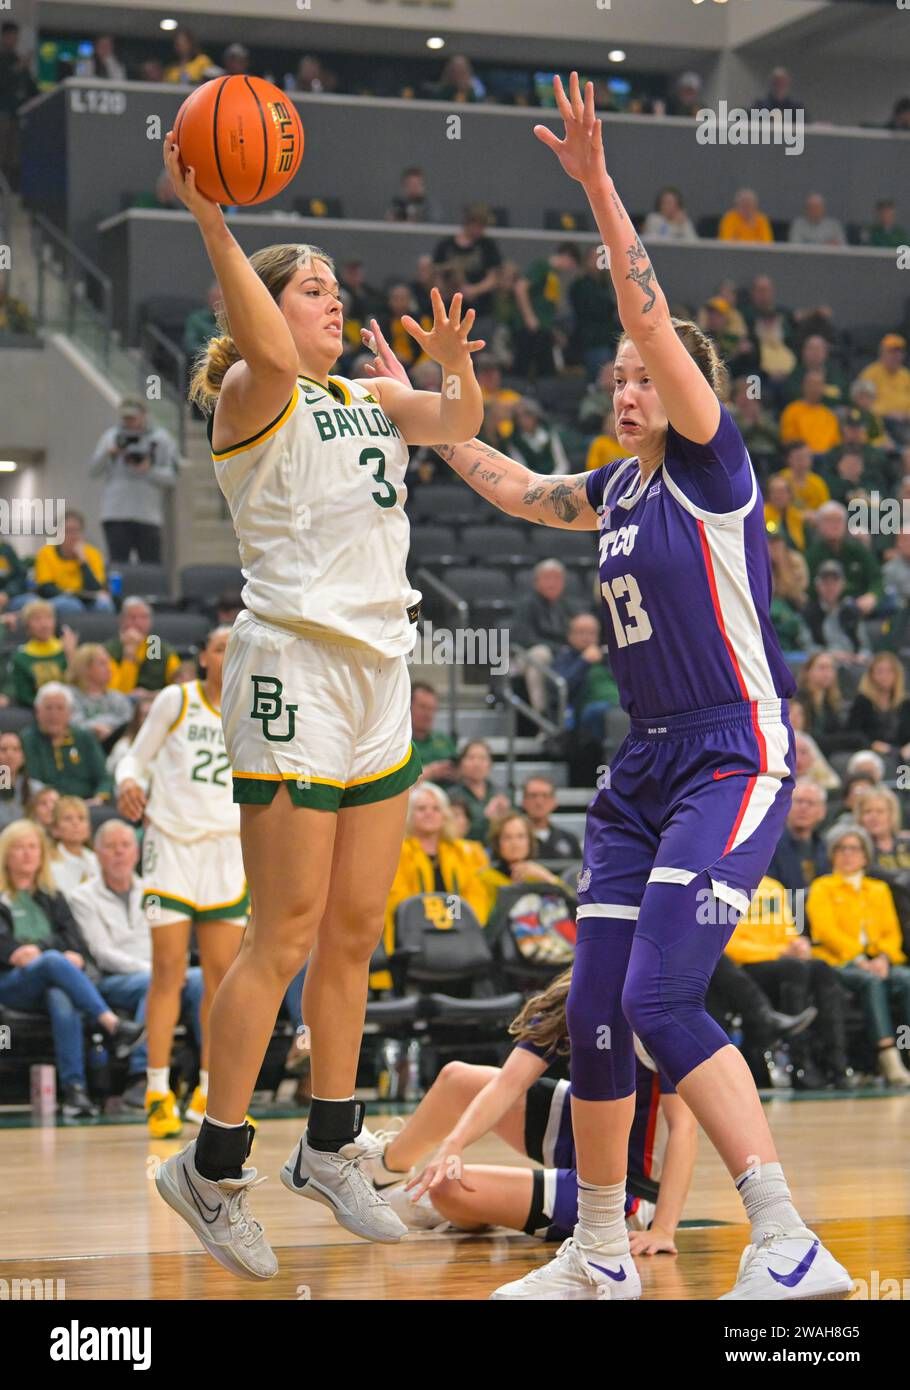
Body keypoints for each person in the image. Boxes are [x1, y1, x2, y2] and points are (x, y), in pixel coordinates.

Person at [412, 73, 851, 1299]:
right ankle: (598, 1252)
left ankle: (786, 1240)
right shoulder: (605, 491)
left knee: (662, 997)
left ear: (683, 389)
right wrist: (430, 404)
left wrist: (601, 189)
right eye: (613, 378)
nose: (625, 387)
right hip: (644, 764)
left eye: (641, 376)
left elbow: (654, 323)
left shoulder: (712, 465)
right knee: (596, 1006)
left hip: (733, 750)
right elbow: (503, 482)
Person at [152, 126, 484, 1278]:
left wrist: (450, 367)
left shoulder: (363, 394)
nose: (334, 300)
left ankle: (332, 1144)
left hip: (380, 672)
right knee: (282, 933)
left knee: (353, 931)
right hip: (292, 667)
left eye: (339, 287)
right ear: (264, 307)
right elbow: (251, 333)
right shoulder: (255, 392)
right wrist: (211, 216)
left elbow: (459, 425)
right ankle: (209, 1163)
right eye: (312, 287)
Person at [364, 970, 697, 1255]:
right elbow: (508, 1084)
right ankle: (382, 1172)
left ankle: (467, 1207)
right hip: (583, 1136)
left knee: (447, 1189)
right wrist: (453, 1144)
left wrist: (664, 1229)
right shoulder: (579, 992)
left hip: (628, 1190)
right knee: (458, 1079)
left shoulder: (658, 1009)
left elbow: (683, 1127)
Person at [114, 629, 247, 1137]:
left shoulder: (253, 712)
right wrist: (128, 781)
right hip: (169, 844)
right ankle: (156, 1089)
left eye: (236, 646)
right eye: (218, 646)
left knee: (223, 978)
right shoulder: (177, 699)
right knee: (167, 968)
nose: (228, 653)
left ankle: (210, 1096)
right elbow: (134, 756)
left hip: (227, 851)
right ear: (203, 658)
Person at [0, 818, 143, 1118]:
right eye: (19, 848)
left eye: (32, 848)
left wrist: (49, 950)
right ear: (6, 855)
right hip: (11, 982)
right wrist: (21, 951)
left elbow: (75, 942)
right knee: (53, 960)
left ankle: (75, 1092)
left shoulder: (52, 896)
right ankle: (112, 1024)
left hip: (51, 981)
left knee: (60, 996)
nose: (27, 854)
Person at [68, 818, 204, 1110]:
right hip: (110, 980)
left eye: (125, 845)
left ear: (137, 852)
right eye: (111, 846)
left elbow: (175, 941)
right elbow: (102, 952)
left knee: (203, 980)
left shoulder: (154, 892)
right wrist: (159, 972)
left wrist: (172, 968)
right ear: (98, 852)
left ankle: (209, 1075)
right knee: (156, 984)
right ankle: (140, 1076)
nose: (119, 852)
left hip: (161, 971)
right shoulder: (83, 897)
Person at [808, 824, 910, 1087]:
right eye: (841, 849)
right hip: (838, 962)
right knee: (870, 982)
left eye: (854, 849)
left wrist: (884, 958)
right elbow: (825, 931)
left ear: (866, 855)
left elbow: (892, 933)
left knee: (906, 979)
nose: (848, 854)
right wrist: (859, 959)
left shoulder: (878, 889)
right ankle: (889, 1058)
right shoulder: (822, 887)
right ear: (832, 855)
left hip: (878, 961)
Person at [375, 782, 491, 989]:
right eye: (421, 809)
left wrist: (458, 922)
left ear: (445, 815)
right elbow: (398, 901)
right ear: (410, 814)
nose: (429, 813)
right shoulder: (396, 852)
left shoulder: (466, 853)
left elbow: (476, 897)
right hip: (415, 942)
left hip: (460, 938)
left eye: (436, 808)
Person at [89, 397, 180, 565]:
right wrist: (109, 453)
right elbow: (93, 471)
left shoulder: (161, 439)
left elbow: (172, 477)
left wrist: (149, 470)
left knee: (150, 567)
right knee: (118, 566)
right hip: (116, 513)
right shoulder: (111, 437)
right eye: (125, 418)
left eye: (132, 418)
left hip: (148, 516)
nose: (129, 422)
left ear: (144, 415)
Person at [21, 684, 111, 804]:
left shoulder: (84, 738)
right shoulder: (25, 740)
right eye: (48, 708)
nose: (54, 714)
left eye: (60, 708)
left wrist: (99, 799)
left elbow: (104, 778)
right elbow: (7, 774)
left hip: (85, 805)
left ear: (70, 713)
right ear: (37, 711)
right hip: (44, 806)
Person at [26, 512, 114, 616]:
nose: (73, 536)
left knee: (104, 604)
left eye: (77, 531)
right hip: (58, 599)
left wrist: (83, 562)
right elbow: (46, 588)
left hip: (86, 601)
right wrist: (71, 595)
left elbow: (95, 589)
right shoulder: (46, 553)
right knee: (71, 605)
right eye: (68, 531)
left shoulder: (93, 554)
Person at [3, 600, 76, 707]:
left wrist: (71, 655)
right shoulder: (21, 657)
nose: (44, 624)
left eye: (48, 618)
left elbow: (79, 685)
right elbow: (23, 695)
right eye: (37, 619)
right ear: (27, 625)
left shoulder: (67, 650)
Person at [438, 740, 510, 843]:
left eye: (482, 758)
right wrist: (487, 818)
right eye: (471, 758)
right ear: (461, 763)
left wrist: (505, 815)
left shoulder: (502, 794)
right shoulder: (451, 796)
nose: (477, 764)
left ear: (490, 764)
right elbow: (451, 830)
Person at [105, 598, 182, 694]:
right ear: (122, 620)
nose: (138, 623)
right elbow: (116, 692)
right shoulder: (109, 651)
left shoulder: (162, 650)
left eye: (144, 617)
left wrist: (150, 695)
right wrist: (129, 655)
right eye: (132, 617)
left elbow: (179, 687)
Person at [768, 779, 830, 894]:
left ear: (822, 812)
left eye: (810, 803)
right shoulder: (769, 846)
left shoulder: (826, 848)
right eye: (798, 801)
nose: (803, 808)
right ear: (785, 806)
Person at [65, 644, 133, 746]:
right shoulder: (69, 696)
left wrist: (110, 730)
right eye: (102, 664)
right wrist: (94, 728)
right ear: (85, 668)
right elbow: (71, 724)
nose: (109, 668)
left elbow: (129, 725)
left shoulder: (117, 697)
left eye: (108, 663)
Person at [848, 651, 910, 760]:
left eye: (889, 671)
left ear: (897, 674)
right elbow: (853, 732)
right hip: (872, 751)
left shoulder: (905, 702)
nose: (884, 676)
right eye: (880, 671)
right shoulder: (862, 701)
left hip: (901, 751)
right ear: (871, 675)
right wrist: (873, 745)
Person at [47, 796, 99, 896]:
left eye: (81, 818)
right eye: (68, 819)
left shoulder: (97, 860)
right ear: (55, 829)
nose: (76, 823)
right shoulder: (49, 864)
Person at [521, 776, 582, 860]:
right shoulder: (513, 840)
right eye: (533, 796)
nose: (539, 802)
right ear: (523, 801)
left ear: (554, 802)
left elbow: (579, 870)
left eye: (545, 795)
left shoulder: (570, 840)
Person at [409, 682, 457, 782]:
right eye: (422, 707)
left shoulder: (443, 739)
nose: (428, 714)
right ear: (408, 706)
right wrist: (430, 772)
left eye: (432, 709)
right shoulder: (398, 743)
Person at [855, 787, 910, 871]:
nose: (874, 817)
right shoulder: (855, 848)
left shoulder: (906, 842)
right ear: (860, 817)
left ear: (892, 815)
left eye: (880, 811)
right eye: (867, 811)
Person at [0, 731, 43, 831]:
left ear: (23, 756)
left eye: (16, 749)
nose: (9, 755)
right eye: (3, 749)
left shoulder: (36, 789)